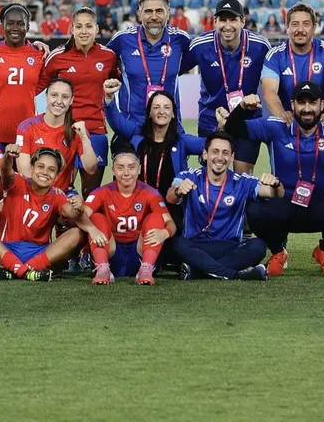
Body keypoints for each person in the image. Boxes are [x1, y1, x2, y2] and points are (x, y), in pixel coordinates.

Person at [222, 82, 324, 277]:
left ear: (322, 104)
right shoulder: (275, 126)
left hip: (323, 203)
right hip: (285, 203)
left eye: (312, 103)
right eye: (301, 103)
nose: (307, 109)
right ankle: (278, 252)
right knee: (253, 209)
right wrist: (241, 109)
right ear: (292, 105)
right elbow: (233, 129)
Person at [166, 132, 283, 281]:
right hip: (195, 245)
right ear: (205, 154)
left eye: (225, 153)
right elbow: (170, 197)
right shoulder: (189, 176)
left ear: (232, 157)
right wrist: (178, 190)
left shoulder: (241, 181)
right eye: (215, 152)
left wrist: (276, 183)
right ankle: (234, 274)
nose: (220, 158)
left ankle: (197, 271)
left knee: (258, 246)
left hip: (229, 246)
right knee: (174, 241)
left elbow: (276, 193)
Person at [0, 145, 85, 281]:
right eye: (40, 166)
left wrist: (78, 208)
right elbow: (6, 171)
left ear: (56, 177)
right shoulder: (17, 182)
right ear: (31, 168)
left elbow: (70, 212)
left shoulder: (57, 196)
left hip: (38, 253)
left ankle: (17, 269)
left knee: (76, 234)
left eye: (51, 170)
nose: (45, 172)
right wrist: (8, 157)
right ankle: (25, 271)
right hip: (5, 248)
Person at [187, 0, 271, 173]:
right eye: (223, 20)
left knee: (243, 178)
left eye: (233, 19)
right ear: (215, 22)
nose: (228, 25)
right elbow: (172, 72)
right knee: (212, 178)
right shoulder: (200, 46)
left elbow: (274, 80)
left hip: (247, 120)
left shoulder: (260, 46)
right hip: (211, 119)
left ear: (242, 21)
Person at [40, 8, 117, 194]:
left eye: (89, 26)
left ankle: (86, 223)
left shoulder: (109, 56)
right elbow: (37, 86)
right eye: (79, 26)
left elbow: (116, 80)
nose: (84, 31)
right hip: (64, 131)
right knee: (57, 191)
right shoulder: (58, 56)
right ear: (71, 29)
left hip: (95, 130)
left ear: (96, 29)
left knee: (91, 193)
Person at [82, 148, 175, 284]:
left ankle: (146, 269)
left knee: (156, 218)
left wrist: (164, 233)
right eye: (120, 168)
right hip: (111, 252)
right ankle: (102, 269)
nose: (126, 173)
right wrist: (92, 229)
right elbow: (81, 216)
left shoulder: (150, 193)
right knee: (96, 218)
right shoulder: (101, 192)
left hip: (138, 253)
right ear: (113, 170)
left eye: (131, 167)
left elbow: (170, 223)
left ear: (139, 169)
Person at [103, 82, 204, 199]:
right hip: (139, 207)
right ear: (149, 113)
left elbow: (211, 145)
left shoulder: (182, 141)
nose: (161, 111)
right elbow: (117, 122)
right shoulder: (137, 135)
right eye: (156, 107)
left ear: (173, 114)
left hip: (171, 208)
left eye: (167, 107)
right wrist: (109, 98)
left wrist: (222, 128)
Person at [107, 0, 194, 125]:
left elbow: (189, 63)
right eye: (148, 11)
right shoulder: (123, 39)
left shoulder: (180, 39)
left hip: (170, 128)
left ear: (168, 12)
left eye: (159, 11)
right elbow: (102, 60)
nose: (154, 17)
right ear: (139, 13)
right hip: (132, 127)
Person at [260, 3, 324, 123]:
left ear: (314, 27)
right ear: (287, 27)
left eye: (306, 24)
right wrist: (282, 114)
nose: (300, 30)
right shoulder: (275, 55)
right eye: (295, 24)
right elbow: (269, 91)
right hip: (288, 124)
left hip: (320, 124)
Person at [0, 4, 44, 148]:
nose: (15, 28)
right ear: (2, 26)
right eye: (10, 23)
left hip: (27, 131)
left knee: (24, 171)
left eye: (20, 24)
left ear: (27, 27)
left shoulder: (39, 55)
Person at [16, 79, 98, 193]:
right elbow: (24, 171)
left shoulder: (77, 130)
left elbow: (91, 169)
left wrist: (84, 137)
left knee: (78, 209)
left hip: (64, 194)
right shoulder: (27, 127)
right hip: (32, 192)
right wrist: (50, 194)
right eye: (54, 95)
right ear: (46, 96)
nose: (59, 101)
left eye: (65, 97)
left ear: (71, 100)